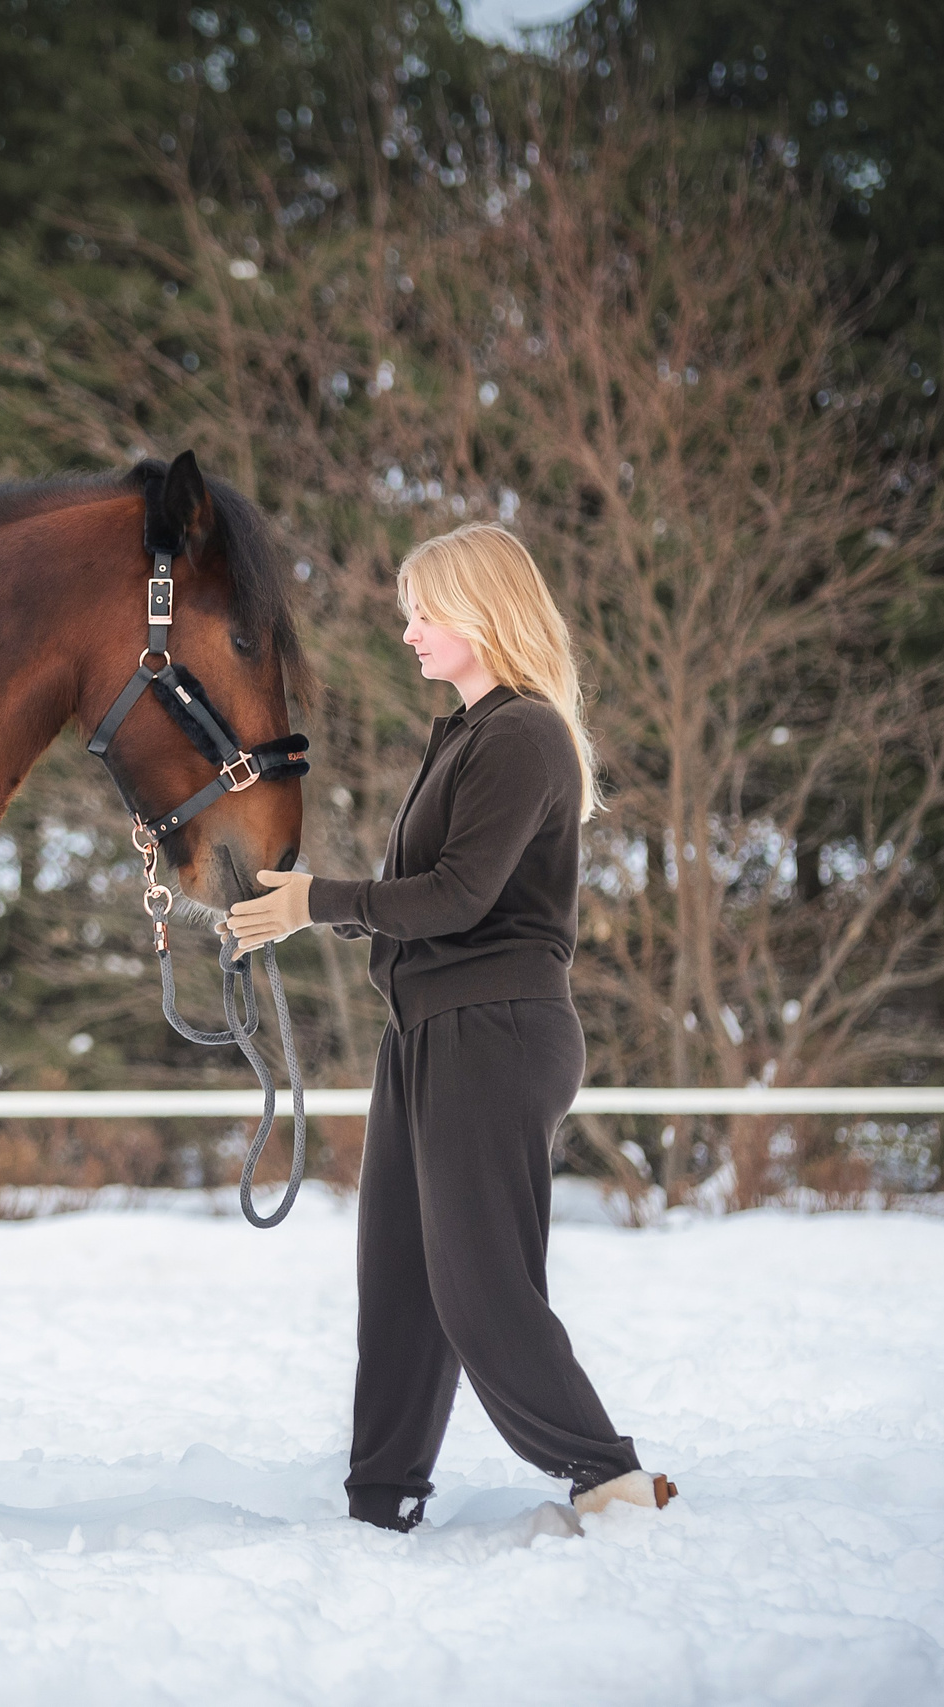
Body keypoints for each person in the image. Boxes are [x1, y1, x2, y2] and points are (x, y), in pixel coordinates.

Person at [224, 522, 675, 1532]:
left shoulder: (523, 734)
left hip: (495, 1028)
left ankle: (610, 1482)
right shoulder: (473, 735)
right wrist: (308, 905)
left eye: (424, 611)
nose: (409, 631)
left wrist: (317, 902)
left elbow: (460, 895)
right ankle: (380, 1497)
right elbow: (422, 895)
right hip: (429, 1030)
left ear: (483, 610)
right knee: (398, 1277)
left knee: (478, 1285)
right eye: (406, 613)